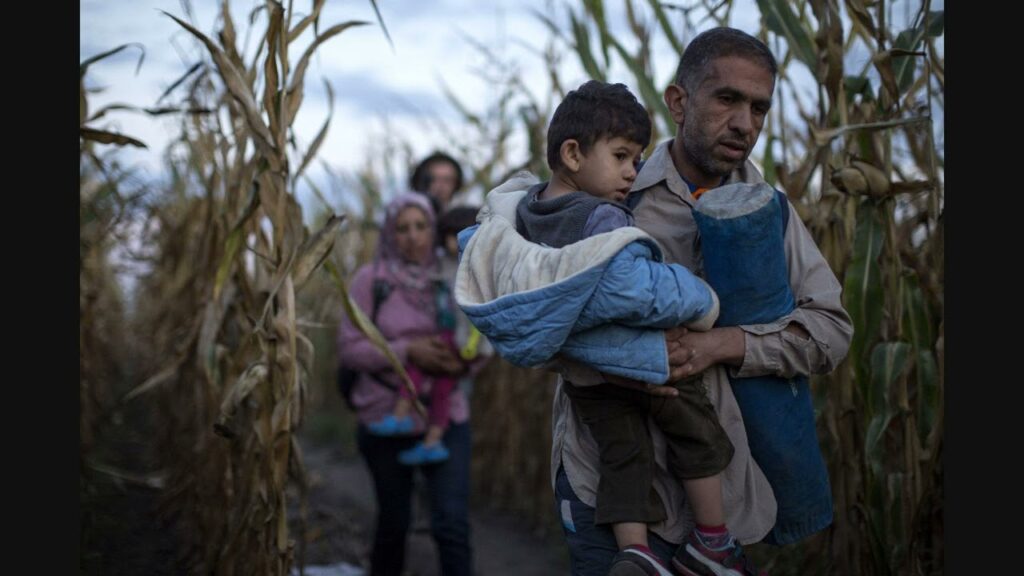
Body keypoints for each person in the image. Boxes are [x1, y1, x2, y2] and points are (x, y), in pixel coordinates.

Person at [456, 27, 853, 576]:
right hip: (606, 488)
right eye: (728, 99)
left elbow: (831, 330)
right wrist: (629, 360)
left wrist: (723, 344)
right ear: (679, 102)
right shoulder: (609, 191)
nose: (745, 123)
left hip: (721, 501)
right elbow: (528, 313)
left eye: (759, 108)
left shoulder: (771, 214)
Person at [506, 79, 747, 576]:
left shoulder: (526, 214)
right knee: (698, 432)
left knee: (623, 455)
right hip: (646, 359)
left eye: (636, 160)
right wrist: (699, 301)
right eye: (620, 157)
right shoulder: (602, 218)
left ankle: (634, 551)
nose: (632, 173)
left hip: (587, 383)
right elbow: (636, 289)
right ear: (573, 154)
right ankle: (712, 540)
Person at [337, 192, 481, 576]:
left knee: (451, 524)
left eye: (421, 226)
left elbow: (482, 334)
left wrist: (463, 362)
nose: (413, 236)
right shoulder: (371, 280)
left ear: (433, 229)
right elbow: (350, 348)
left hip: (445, 418)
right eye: (402, 228)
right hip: (384, 415)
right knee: (394, 523)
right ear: (389, 233)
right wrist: (409, 351)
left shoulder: (454, 273)